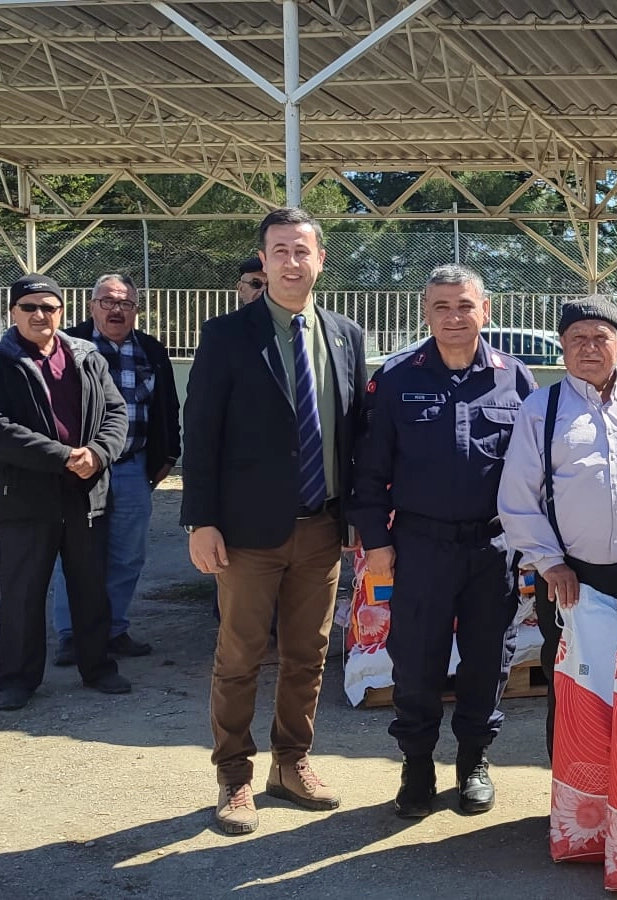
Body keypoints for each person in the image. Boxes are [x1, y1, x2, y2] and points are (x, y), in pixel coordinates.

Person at [181, 207, 367, 835]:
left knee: (307, 655)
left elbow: (355, 434)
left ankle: (291, 763)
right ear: (263, 260)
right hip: (246, 534)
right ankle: (234, 776)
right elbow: (200, 433)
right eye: (279, 250)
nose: (291, 261)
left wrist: (359, 518)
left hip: (322, 528)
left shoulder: (345, 335)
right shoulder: (226, 335)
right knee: (239, 656)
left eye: (302, 250)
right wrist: (201, 520)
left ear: (321, 259)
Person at [350, 265, 535, 819]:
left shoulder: (515, 378)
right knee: (415, 660)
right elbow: (368, 471)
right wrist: (376, 542)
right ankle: (417, 764)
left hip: (493, 548)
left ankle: (474, 760)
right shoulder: (396, 377)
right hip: (420, 545)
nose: (454, 317)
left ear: (486, 310)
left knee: (488, 658)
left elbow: (536, 472)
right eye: (441, 307)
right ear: (426, 313)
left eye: (464, 305)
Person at [498, 295, 617, 759]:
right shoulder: (541, 409)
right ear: (562, 346)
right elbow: (517, 498)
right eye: (577, 338)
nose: (589, 347)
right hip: (571, 581)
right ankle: (574, 793)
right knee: (574, 689)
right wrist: (550, 563)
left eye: (600, 337)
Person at [0, 275, 131, 711]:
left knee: (90, 586)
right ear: (13, 312)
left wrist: (98, 454)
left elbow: (116, 412)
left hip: (86, 491)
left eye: (49, 307)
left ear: (61, 311)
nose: (40, 315)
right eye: (29, 307)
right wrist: (61, 456)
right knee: (21, 592)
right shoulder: (4, 359)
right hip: (24, 496)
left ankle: (98, 667)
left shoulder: (86, 356)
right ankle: (16, 678)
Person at [51, 274, 180, 665]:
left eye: (125, 303)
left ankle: (113, 629)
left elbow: (167, 405)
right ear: (92, 306)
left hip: (133, 468)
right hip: (81, 471)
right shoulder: (67, 345)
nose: (116, 310)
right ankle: (72, 635)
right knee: (76, 555)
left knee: (127, 556)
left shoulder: (151, 350)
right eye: (107, 301)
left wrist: (168, 455)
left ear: (136, 310)